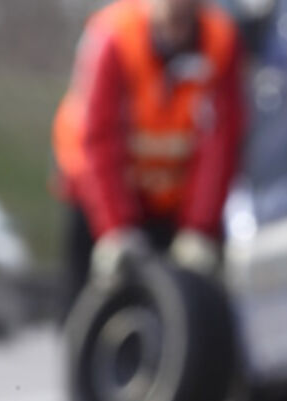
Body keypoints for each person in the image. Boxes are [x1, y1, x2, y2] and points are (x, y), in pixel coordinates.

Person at [52, 0, 243, 314]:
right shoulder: (114, 35)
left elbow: (220, 146)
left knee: (182, 306)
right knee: (87, 304)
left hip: (173, 201)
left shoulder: (221, 41)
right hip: (99, 193)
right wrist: (115, 229)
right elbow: (98, 140)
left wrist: (198, 228)